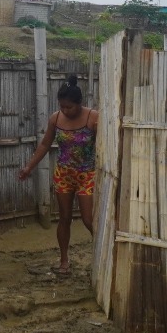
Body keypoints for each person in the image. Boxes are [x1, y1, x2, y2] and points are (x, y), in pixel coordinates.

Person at [18, 74, 98, 275]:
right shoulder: (55, 118)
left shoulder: (93, 117)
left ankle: (102, 256)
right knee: (64, 218)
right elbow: (45, 144)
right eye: (62, 106)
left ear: (79, 103)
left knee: (89, 220)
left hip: (87, 175)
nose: (65, 110)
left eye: (69, 107)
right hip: (64, 175)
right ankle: (64, 261)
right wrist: (29, 167)